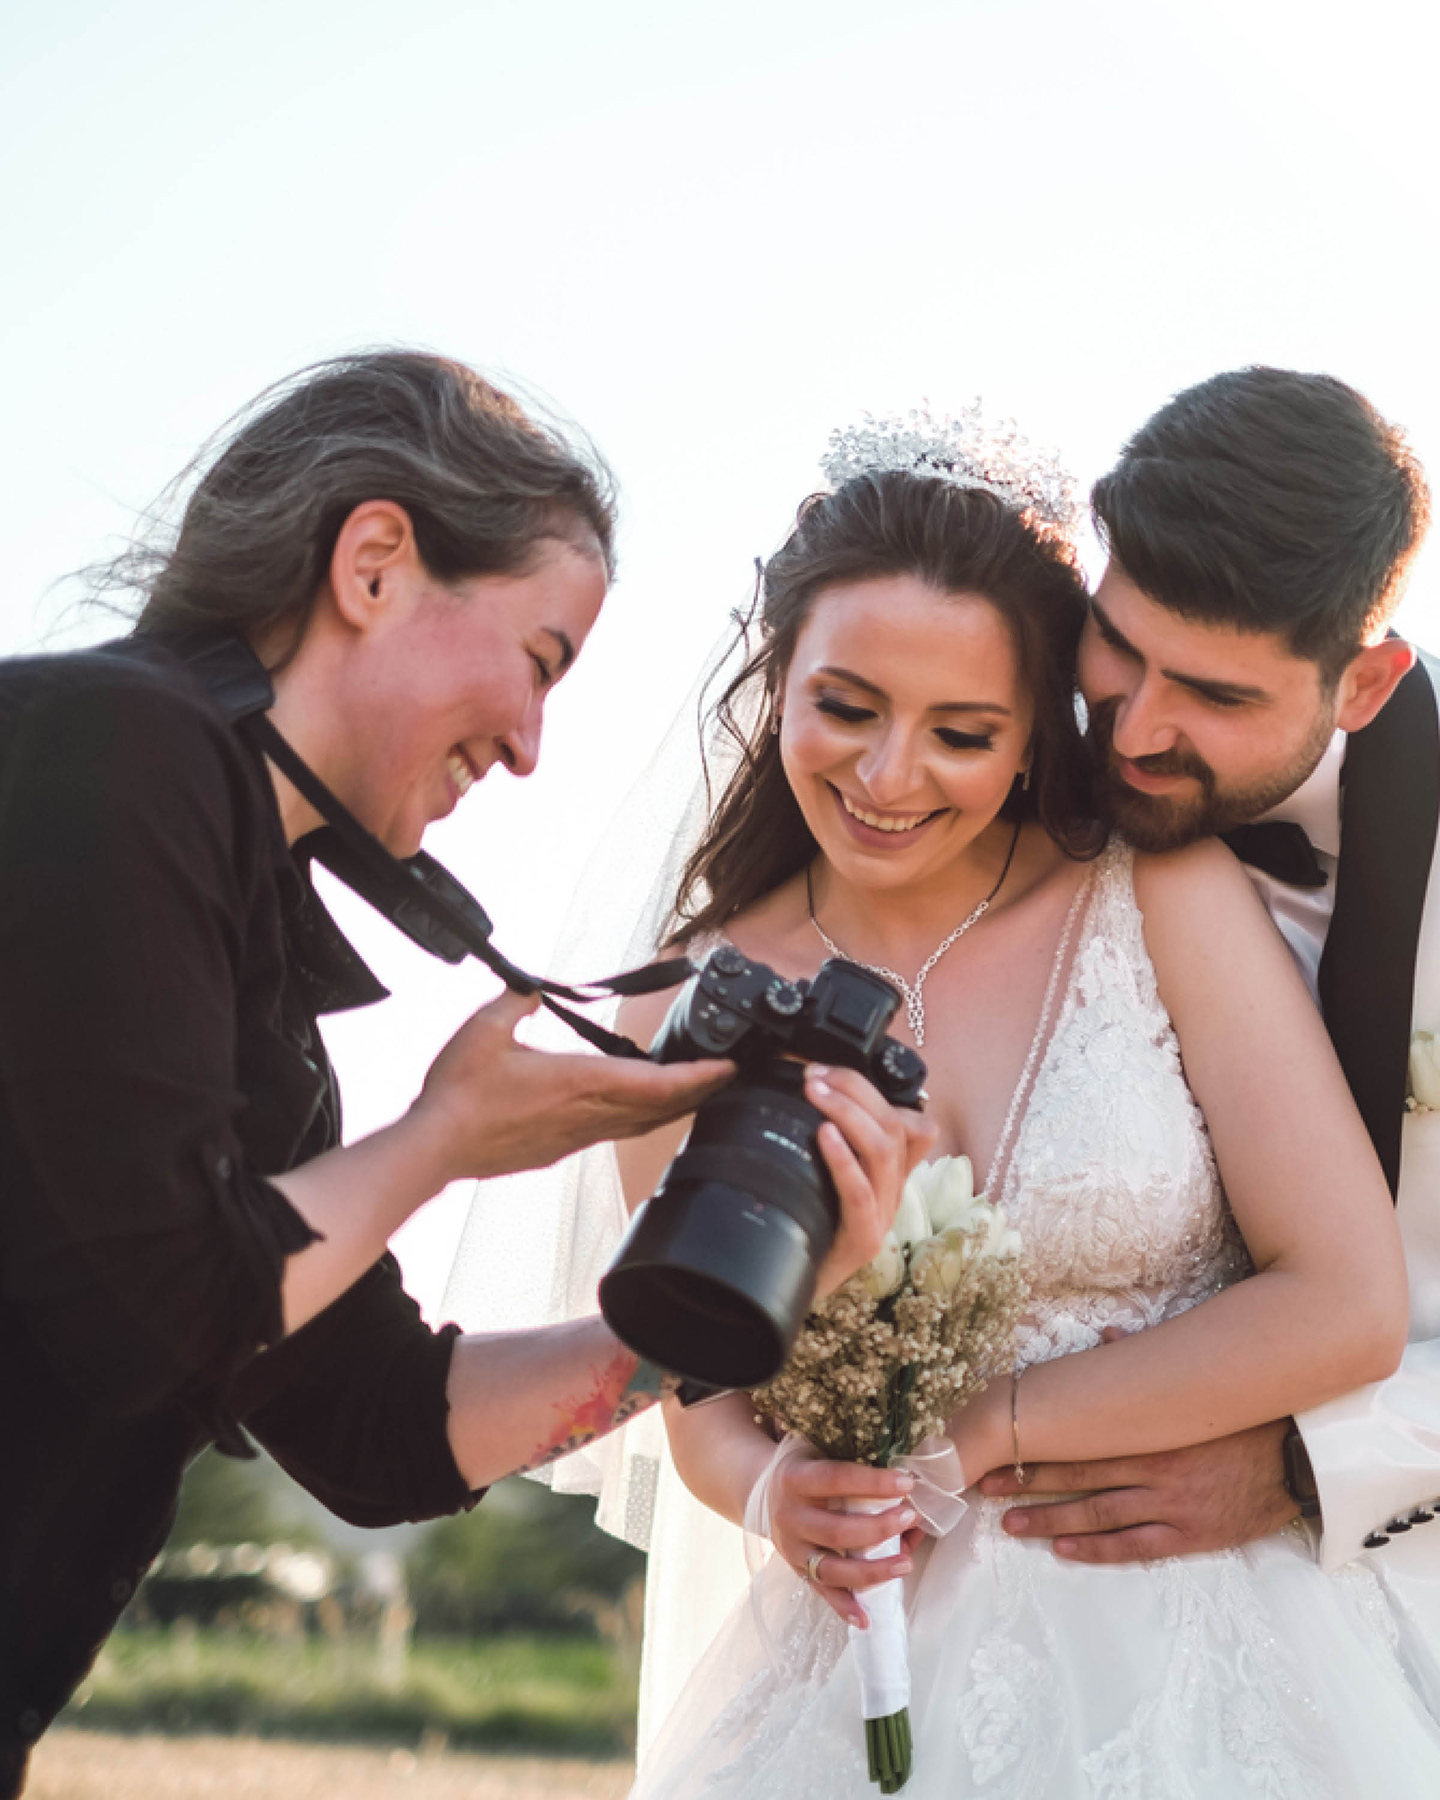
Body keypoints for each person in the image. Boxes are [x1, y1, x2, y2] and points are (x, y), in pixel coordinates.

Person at [0, 350, 925, 1796]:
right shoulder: (115, 748)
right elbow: (154, 1313)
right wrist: (442, 1139)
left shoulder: (264, 1024)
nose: (534, 748)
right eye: (541, 661)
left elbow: (382, 1432)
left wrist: (729, 1307)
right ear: (375, 563)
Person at [579, 410, 1440, 1795]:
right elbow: (699, 1387)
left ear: (1032, 731)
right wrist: (766, 1490)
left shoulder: (1158, 889)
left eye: (963, 732)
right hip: (866, 1653)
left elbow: (1344, 1298)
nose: (888, 777)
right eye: (846, 708)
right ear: (776, 678)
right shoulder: (676, 1009)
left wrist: (988, 1429)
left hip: (1210, 1645)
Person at [982, 369, 1440, 1595]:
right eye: (1122, 649)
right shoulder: (980, 778)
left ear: (1366, 683)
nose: (1131, 732)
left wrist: (1313, 1463)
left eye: (1218, 696)